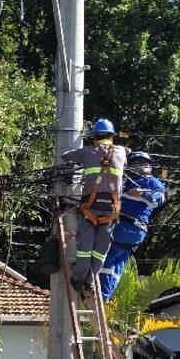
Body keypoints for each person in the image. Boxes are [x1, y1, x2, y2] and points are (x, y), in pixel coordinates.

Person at [62, 118, 128, 296]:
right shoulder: (122, 152)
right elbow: (127, 152)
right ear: (111, 137)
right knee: (100, 251)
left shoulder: (86, 152)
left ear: (95, 137)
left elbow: (66, 156)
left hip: (90, 208)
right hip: (111, 211)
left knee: (85, 249)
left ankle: (78, 278)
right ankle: (90, 281)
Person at [99, 151, 165, 300]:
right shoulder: (127, 182)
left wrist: (143, 194)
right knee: (119, 262)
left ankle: (101, 294)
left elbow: (159, 199)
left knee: (106, 256)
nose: (139, 166)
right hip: (133, 231)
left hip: (127, 226)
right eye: (136, 164)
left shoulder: (151, 182)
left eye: (143, 163)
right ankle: (106, 296)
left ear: (150, 167)